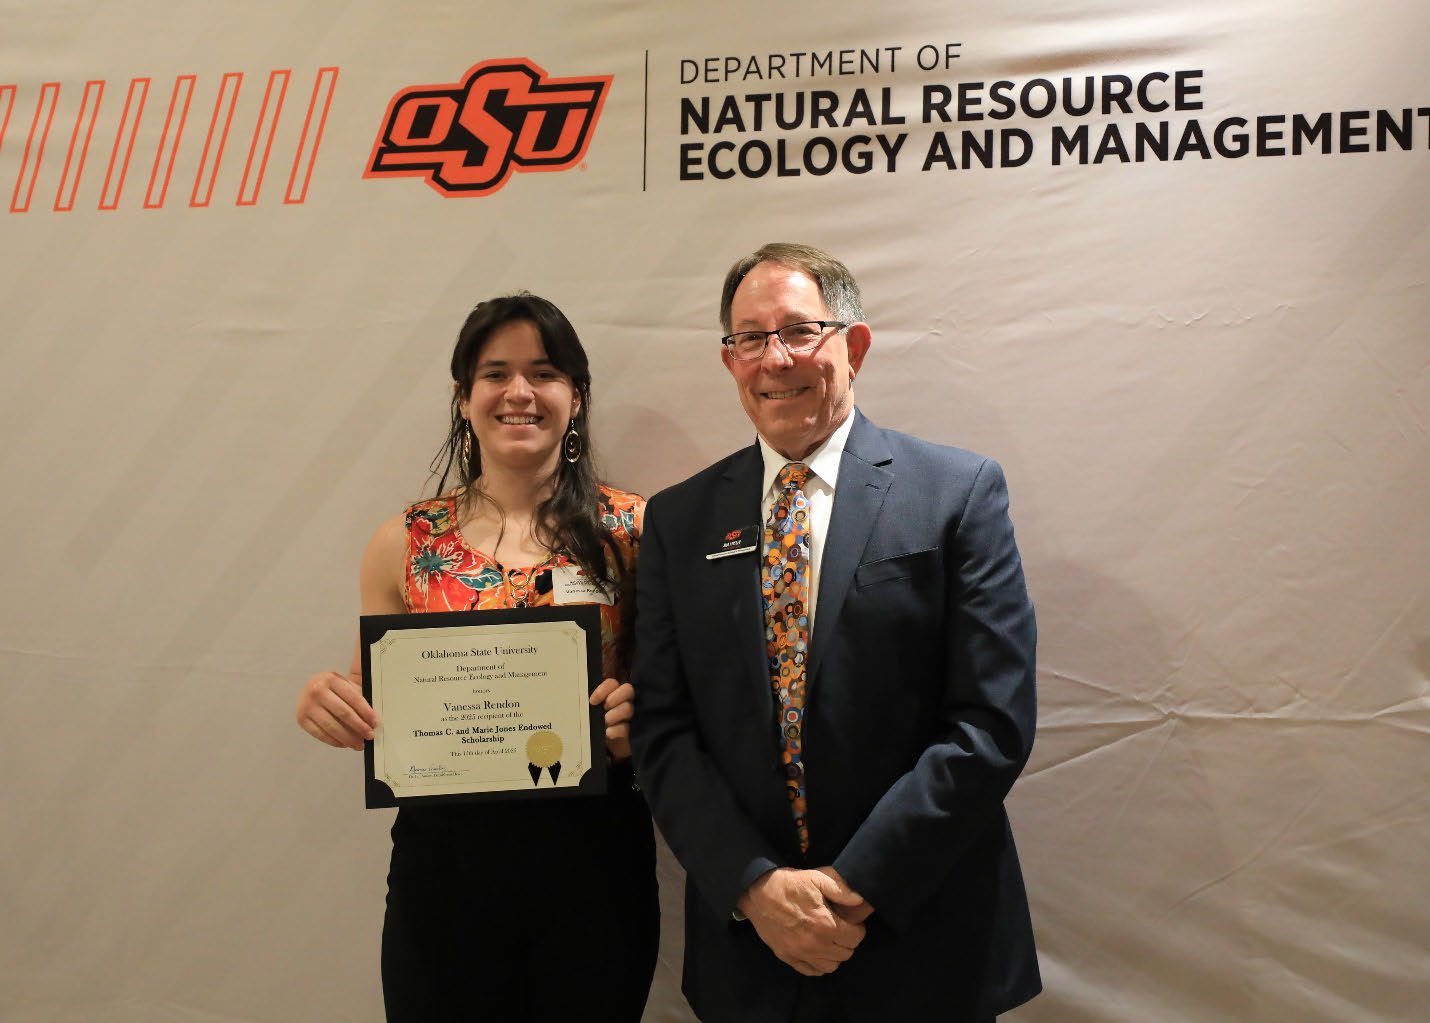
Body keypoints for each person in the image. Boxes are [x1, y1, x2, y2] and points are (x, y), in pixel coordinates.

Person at [630, 244, 1039, 1023]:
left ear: (855, 345)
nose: (775, 358)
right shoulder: (679, 522)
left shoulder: (956, 494)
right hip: (752, 954)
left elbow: (991, 722)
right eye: (750, 338)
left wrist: (852, 887)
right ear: (730, 360)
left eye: (798, 330)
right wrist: (756, 885)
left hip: (922, 941)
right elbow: (663, 728)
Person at [295, 294, 658, 1022]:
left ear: (576, 396)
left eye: (544, 372)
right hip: (446, 871)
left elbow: (674, 692)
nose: (520, 391)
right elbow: (374, 691)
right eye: (496, 373)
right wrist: (330, 701)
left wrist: (639, 720)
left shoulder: (634, 530)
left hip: (595, 863)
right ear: (464, 398)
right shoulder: (405, 541)